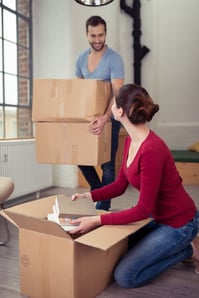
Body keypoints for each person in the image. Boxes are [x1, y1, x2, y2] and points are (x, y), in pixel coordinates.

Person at [70, 83, 199, 288]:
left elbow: (142, 210)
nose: (110, 107)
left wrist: (97, 220)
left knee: (126, 276)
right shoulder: (131, 141)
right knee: (121, 245)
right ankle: (179, 247)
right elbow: (121, 184)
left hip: (179, 223)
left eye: (112, 103)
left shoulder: (151, 149)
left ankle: (187, 250)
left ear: (120, 111)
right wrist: (89, 196)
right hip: (158, 218)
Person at [75, 15, 124, 211]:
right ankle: (97, 189)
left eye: (101, 35)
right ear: (87, 34)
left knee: (107, 165)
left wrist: (105, 118)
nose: (97, 40)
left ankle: (103, 208)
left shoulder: (114, 59)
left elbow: (118, 93)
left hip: (110, 118)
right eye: (93, 35)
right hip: (88, 118)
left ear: (106, 33)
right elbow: (78, 91)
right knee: (80, 158)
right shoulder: (80, 58)